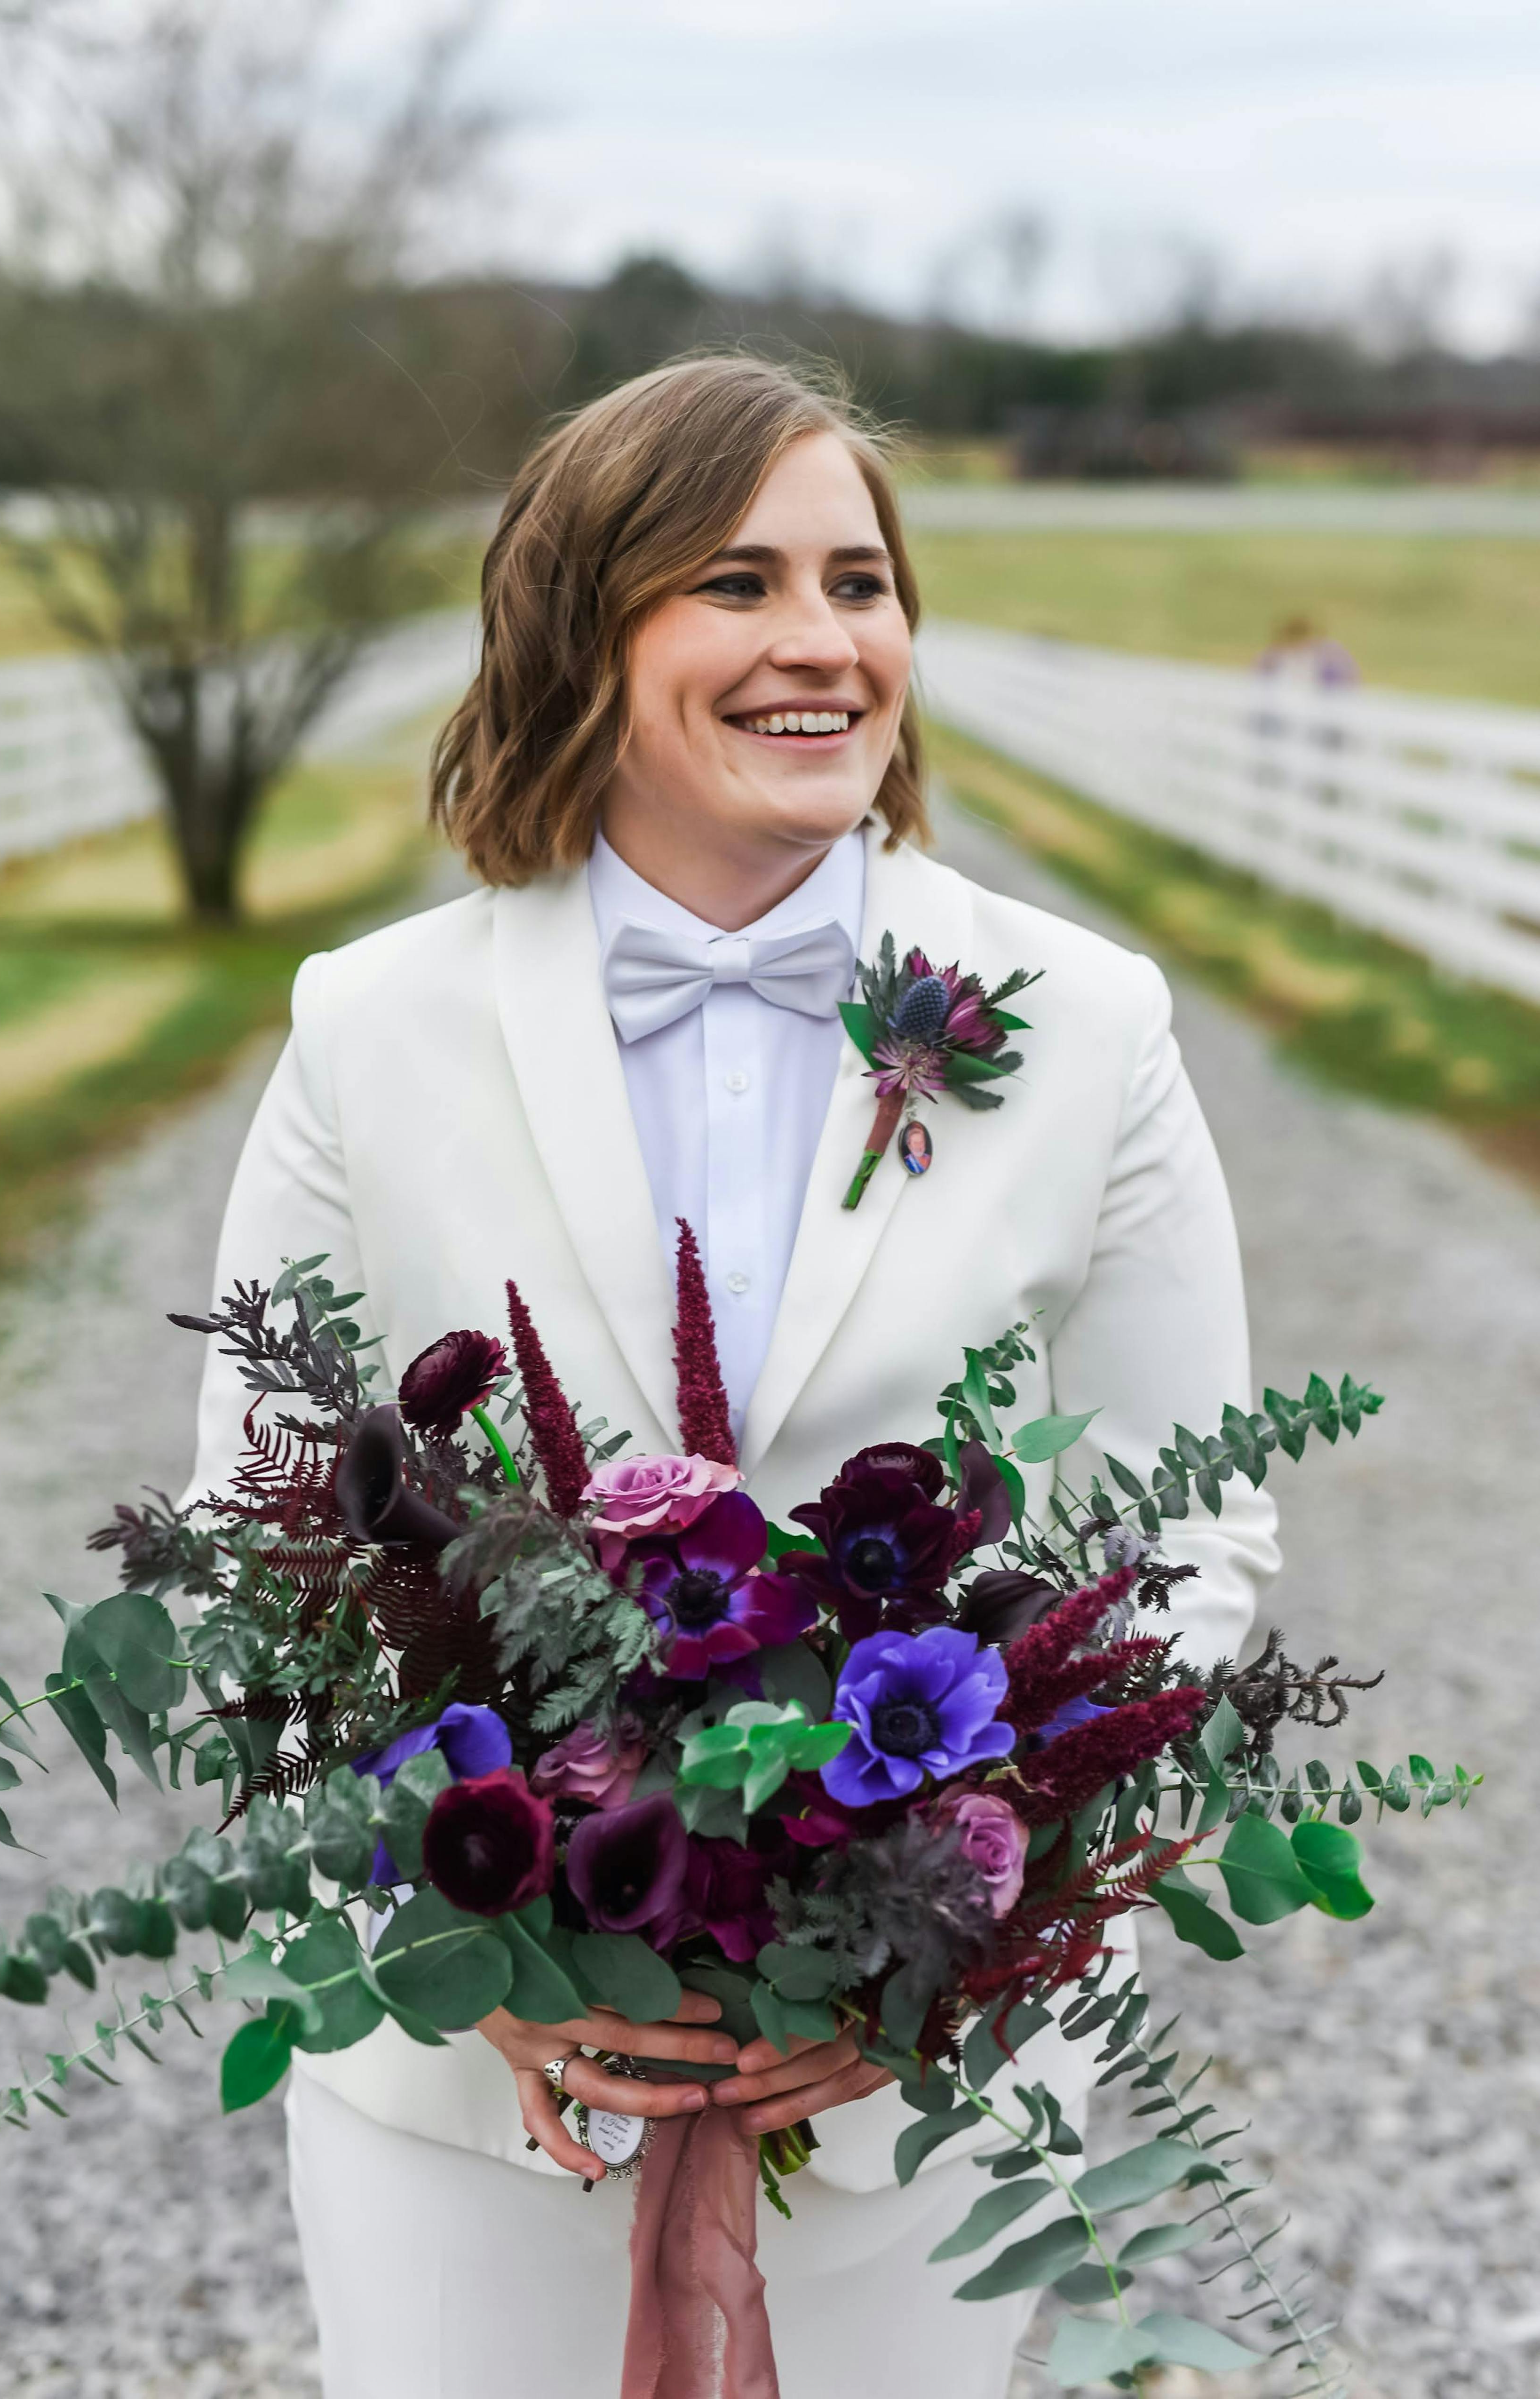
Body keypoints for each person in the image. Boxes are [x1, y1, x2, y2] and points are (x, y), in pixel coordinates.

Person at [184, 356, 1279, 2398]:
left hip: (917, 2081)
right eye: (734, 581)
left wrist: (957, 1909)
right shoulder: (373, 1023)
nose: (820, 642)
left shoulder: (1087, 1023)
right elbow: (254, 1522)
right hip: (472, 2073)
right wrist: (476, 1938)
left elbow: (1187, 1517)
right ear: (581, 632)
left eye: (858, 582)